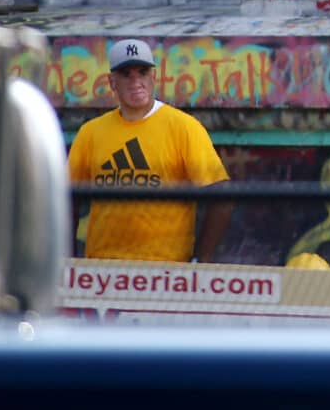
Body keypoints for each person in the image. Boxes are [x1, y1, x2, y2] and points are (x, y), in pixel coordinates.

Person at [67, 38, 230, 262]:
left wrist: (200, 262)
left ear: (154, 77)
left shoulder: (183, 127)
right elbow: (68, 200)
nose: (136, 81)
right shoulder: (90, 133)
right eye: (126, 74)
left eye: (142, 72)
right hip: (102, 273)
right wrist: (67, 262)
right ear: (112, 82)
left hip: (164, 275)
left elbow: (222, 195)